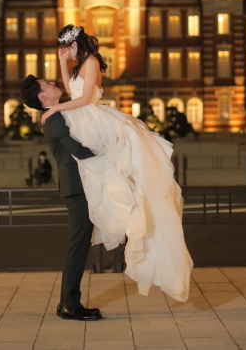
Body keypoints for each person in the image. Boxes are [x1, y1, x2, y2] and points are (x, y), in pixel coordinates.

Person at [39, 24, 193, 302]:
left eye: (67, 49)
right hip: (83, 118)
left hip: (92, 118)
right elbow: (71, 91)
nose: (66, 54)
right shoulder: (79, 64)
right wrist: (62, 64)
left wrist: (56, 108)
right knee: (98, 172)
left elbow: (84, 98)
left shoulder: (91, 61)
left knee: (106, 166)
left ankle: (128, 212)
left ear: (76, 44)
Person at [21, 75, 102, 321]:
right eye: (47, 84)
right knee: (78, 246)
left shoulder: (57, 113)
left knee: (79, 244)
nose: (53, 83)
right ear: (42, 96)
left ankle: (69, 302)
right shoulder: (53, 119)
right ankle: (68, 304)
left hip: (81, 186)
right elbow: (80, 151)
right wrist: (113, 150)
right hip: (76, 190)